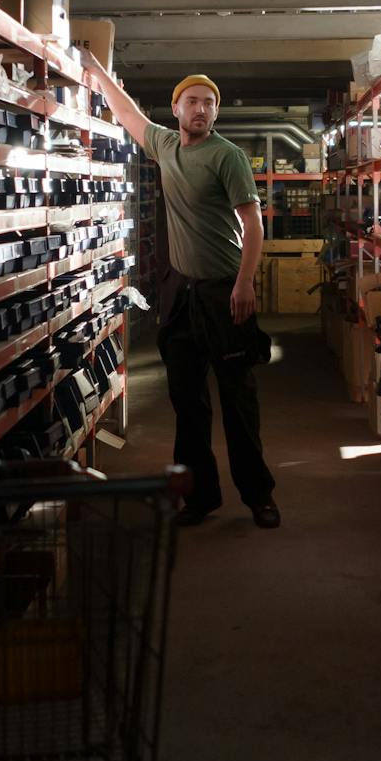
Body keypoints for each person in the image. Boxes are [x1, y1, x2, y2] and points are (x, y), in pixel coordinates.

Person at [79, 56, 280, 529]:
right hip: (181, 295)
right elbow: (128, 113)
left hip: (224, 292)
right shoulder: (165, 145)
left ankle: (259, 497)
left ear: (215, 113)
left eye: (209, 104)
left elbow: (253, 224)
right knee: (188, 405)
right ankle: (199, 498)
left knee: (238, 402)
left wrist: (245, 282)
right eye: (193, 101)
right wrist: (97, 71)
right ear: (175, 108)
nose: (202, 110)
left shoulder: (226, 156)